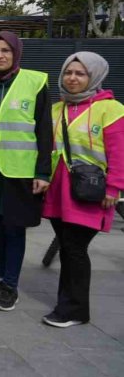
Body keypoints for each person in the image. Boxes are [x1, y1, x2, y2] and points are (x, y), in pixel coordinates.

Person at [0, 31, 52, 312]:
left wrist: (44, 173)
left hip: (21, 170)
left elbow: (45, 130)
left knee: (14, 228)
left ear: (15, 53)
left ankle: (11, 285)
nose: (0, 56)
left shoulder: (35, 82)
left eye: (5, 50)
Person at [42, 53, 123, 327]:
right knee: (67, 247)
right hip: (58, 190)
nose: (72, 78)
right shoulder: (57, 109)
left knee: (75, 249)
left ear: (95, 77)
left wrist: (114, 188)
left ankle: (73, 310)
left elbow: (119, 153)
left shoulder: (110, 109)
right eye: (68, 72)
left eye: (80, 74)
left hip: (89, 192)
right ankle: (69, 305)